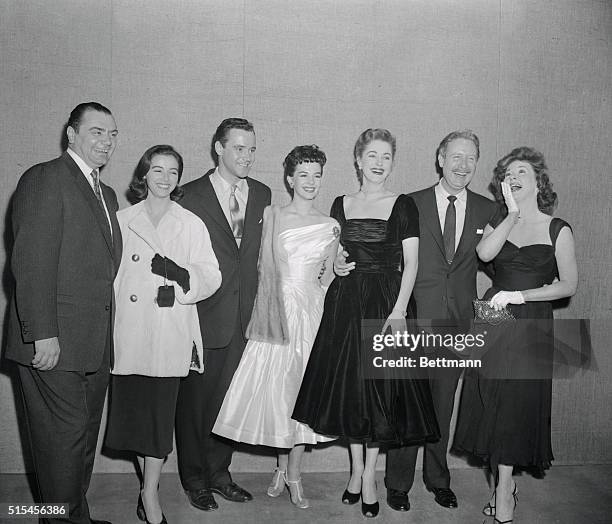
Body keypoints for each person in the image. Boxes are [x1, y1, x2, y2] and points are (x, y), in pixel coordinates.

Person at [292, 129, 440, 518]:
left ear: (392, 163)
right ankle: (355, 471)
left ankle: (371, 474)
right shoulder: (341, 203)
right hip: (346, 302)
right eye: (371, 155)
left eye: (386, 157)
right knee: (351, 391)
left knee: (379, 393)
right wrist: (338, 266)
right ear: (358, 160)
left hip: (387, 305)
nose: (378, 163)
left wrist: (398, 311)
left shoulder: (403, 204)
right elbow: (337, 255)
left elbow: (412, 264)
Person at [6, 102, 121, 524]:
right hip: (52, 342)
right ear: (71, 134)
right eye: (95, 132)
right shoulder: (45, 178)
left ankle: (76, 517)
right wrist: (42, 333)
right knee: (62, 440)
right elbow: (31, 263)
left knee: (82, 438)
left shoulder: (105, 194)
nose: (105, 142)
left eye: (111, 134)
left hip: (91, 344)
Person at [453, 147, 577, 523]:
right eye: (508, 174)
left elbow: (567, 285)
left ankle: (504, 491)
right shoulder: (500, 220)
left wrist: (521, 294)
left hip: (532, 316)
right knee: (489, 400)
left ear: (538, 180)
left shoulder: (558, 228)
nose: (515, 176)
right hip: (493, 315)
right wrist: (511, 213)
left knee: (515, 404)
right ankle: (504, 485)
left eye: (522, 171)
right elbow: (486, 253)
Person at [213, 144, 340, 509]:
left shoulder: (331, 225)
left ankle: (294, 475)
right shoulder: (272, 215)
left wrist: (341, 271)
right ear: (290, 178)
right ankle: (282, 468)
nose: (311, 182)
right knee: (278, 395)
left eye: (317, 175)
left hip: (312, 313)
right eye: (304, 175)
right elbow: (259, 266)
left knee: (303, 394)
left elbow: (329, 278)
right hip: (276, 310)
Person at [380, 130, 498, 513]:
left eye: (471, 159)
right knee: (408, 404)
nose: (463, 166)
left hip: (457, 324)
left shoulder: (486, 208)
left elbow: (501, 265)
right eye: (456, 157)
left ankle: (437, 480)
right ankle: (398, 484)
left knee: (442, 406)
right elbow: (389, 259)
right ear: (440, 158)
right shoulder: (410, 203)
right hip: (414, 319)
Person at [104, 145, 221, 524]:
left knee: (158, 420)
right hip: (130, 333)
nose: (165, 178)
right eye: (158, 170)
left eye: (173, 171)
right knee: (136, 420)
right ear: (144, 174)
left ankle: (150, 492)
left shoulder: (191, 223)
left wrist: (183, 275)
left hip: (170, 331)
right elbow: (109, 279)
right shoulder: (121, 220)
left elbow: (211, 274)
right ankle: (146, 487)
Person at [174, 118, 271, 511]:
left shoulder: (263, 194)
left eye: (251, 149)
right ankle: (194, 478)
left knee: (231, 400)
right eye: (238, 148)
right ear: (219, 148)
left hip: (246, 316)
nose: (246, 156)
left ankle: (220, 473)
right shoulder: (190, 194)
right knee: (195, 402)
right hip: (203, 315)